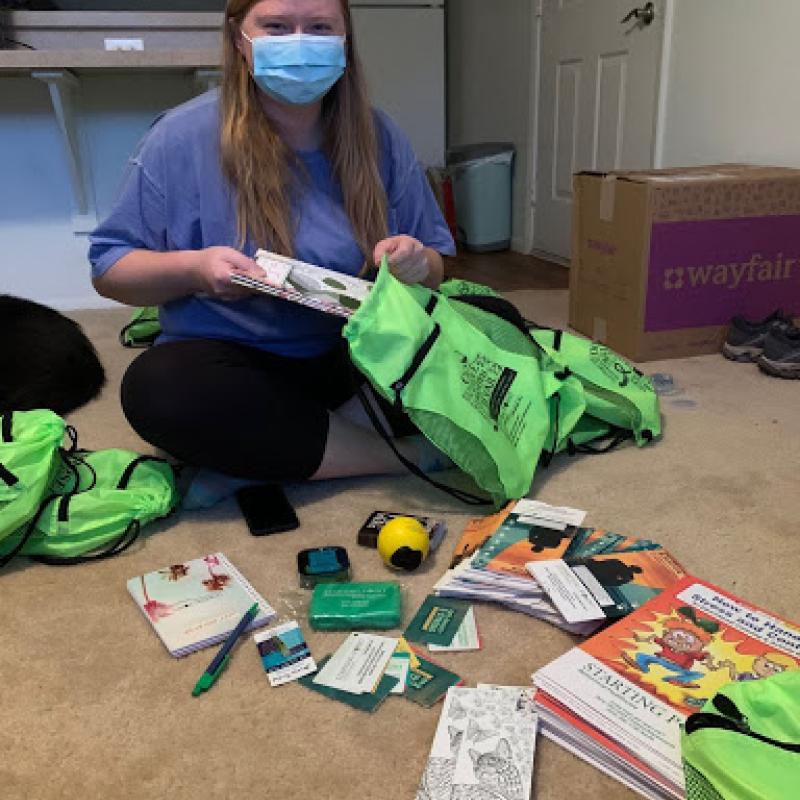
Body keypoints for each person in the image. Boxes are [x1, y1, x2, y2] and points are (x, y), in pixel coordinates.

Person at [89, 0, 455, 508]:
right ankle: (397, 456)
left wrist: (417, 262)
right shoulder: (179, 136)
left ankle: (269, 459)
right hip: (231, 365)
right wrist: (196, 269)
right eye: (277, 27)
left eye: (320, 27)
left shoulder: (379, 135)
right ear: (239, 39)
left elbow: (435, 265)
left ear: (345, 40)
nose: (299, 42)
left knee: (485, 324)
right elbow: (110, 268)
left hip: (352, 357)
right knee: (157, 388)